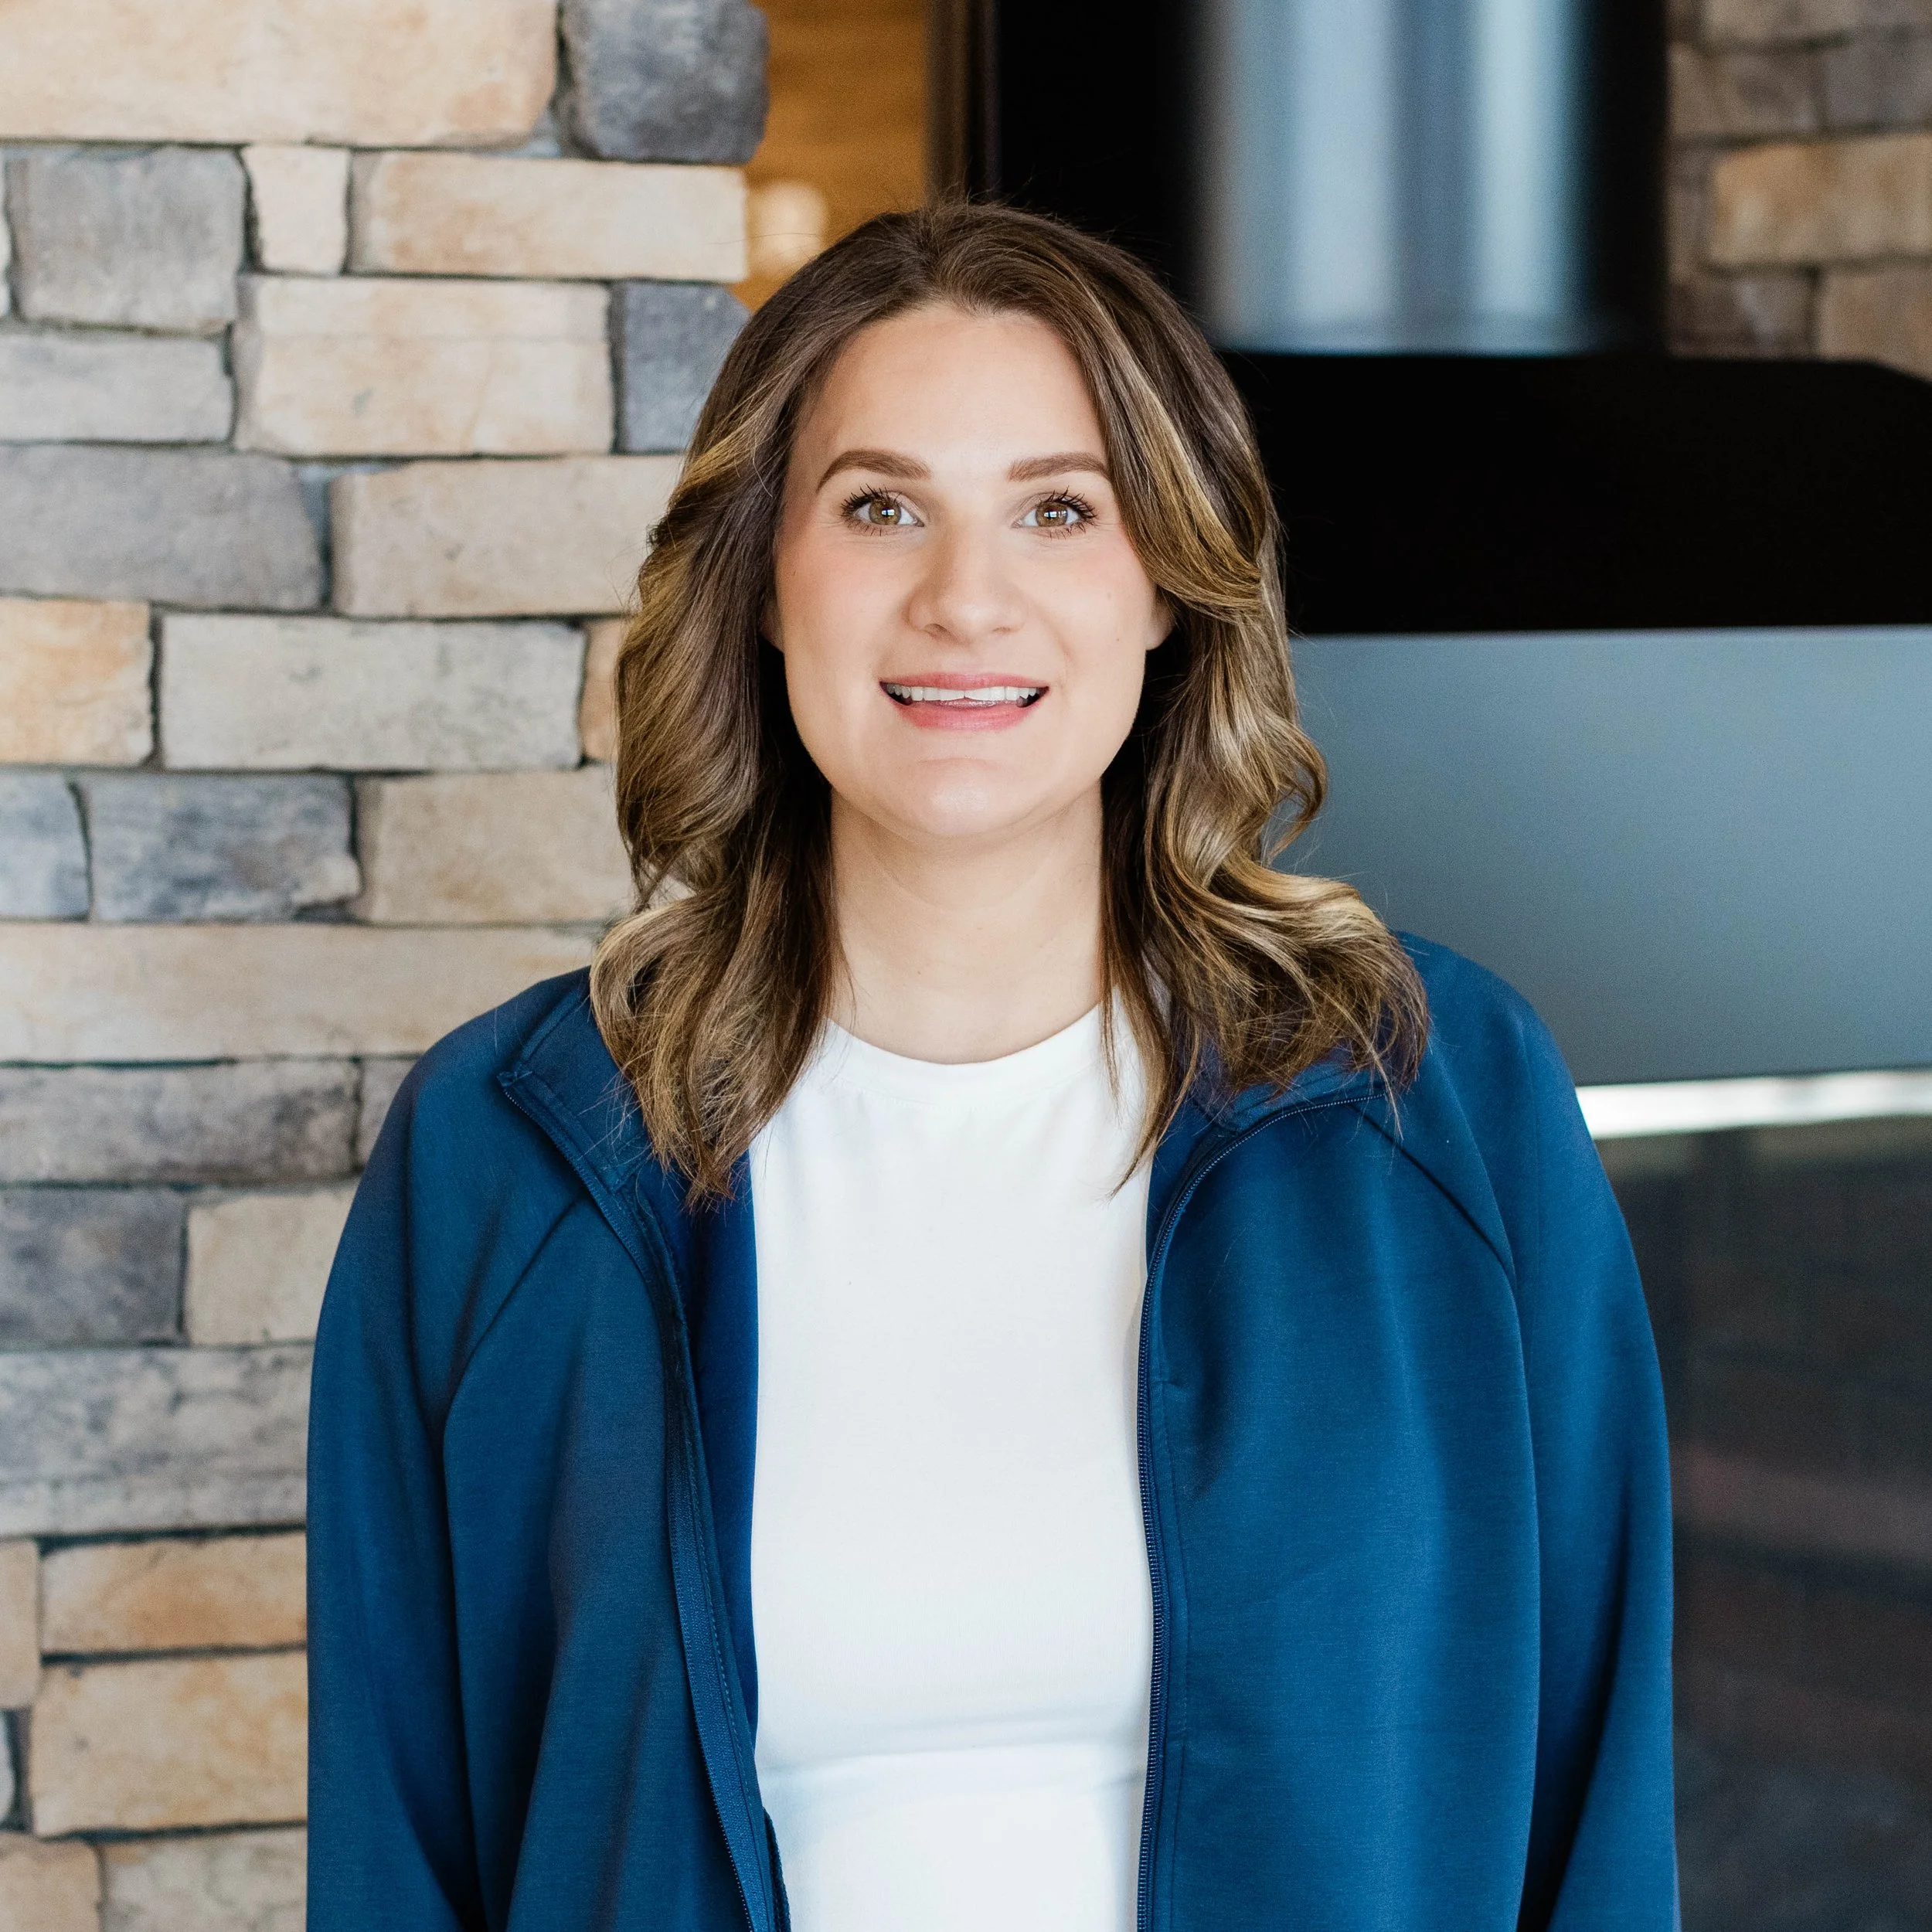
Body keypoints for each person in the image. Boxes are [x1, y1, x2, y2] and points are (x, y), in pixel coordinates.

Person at [307, 202, 1677, 1932]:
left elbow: (1598, 1812)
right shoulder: (507, 1155)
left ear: (1165, 586)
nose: (965, 599)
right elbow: (396, 1847)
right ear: (763, 582)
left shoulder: (1437, 1096)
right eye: (881, 507)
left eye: (1057, 509)